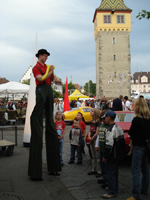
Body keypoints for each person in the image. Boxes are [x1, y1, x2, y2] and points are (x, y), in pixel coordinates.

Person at [28, 49, 61, 180]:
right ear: (40, 56)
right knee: (37, 114)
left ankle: (53, 168)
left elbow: (52, 79)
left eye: (47, 56)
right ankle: (36, 121)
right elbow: (40, 78)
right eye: (45, 56)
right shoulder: (36, 68)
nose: (46, 58)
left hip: (48, 89)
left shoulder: (47, 67)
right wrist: (50, 72)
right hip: (41, 89)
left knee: (50, 119)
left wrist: (52, 74)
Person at [126, 97, 150, 200]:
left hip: (138, 147)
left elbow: (131, 132)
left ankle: (136, 194)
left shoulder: (136, 120)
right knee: (146, 169)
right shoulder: (148, 119)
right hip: (147, 147)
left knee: (135, 170)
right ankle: (144, 188)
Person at [102, 110, 126, 199]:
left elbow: (109, 145)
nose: (104, 119)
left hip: (112, 156)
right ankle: (114, 188)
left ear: (108, 118)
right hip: (117, 155)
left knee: (110, 173)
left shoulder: (110, 129)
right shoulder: (118, 127)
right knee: (115, 173)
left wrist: (105, 156)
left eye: (105, 118)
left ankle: (112, 192)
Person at [95, 110, 109, 185]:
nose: (103, 121)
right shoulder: (101, 125)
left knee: (106, 166)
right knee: (102, 165)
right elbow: (99, 136)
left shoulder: (110, 127)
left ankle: (107, 180)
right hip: (101, 148)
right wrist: (97, 145)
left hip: (106, 149)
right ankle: (104, 177)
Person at [88, 108, 101, 177]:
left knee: (97, 156)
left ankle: (99, 170)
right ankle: (94, 169)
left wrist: (92, 138)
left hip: (96, 139)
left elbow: (97, 132)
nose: (91, 112)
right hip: (92, 138)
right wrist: (89, 136)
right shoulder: (91, 121)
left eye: (92, 111)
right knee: (93, 155)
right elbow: (90, 130)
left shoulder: (98, 122)